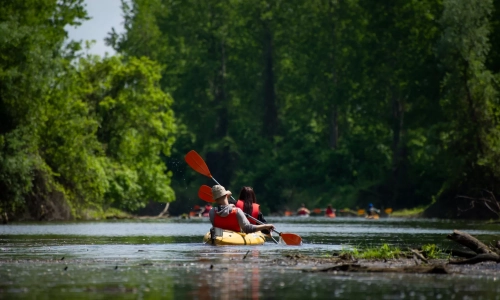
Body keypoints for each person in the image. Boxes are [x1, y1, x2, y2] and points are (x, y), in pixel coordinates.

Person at [208, 185, 274, 234]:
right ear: (226, 195)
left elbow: (223, 211)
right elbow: (248, 229)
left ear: (215, 200)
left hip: (219, 236)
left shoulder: (212, 212)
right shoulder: (237, 211)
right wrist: (265, 226)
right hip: (234, 238)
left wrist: (229, 206)